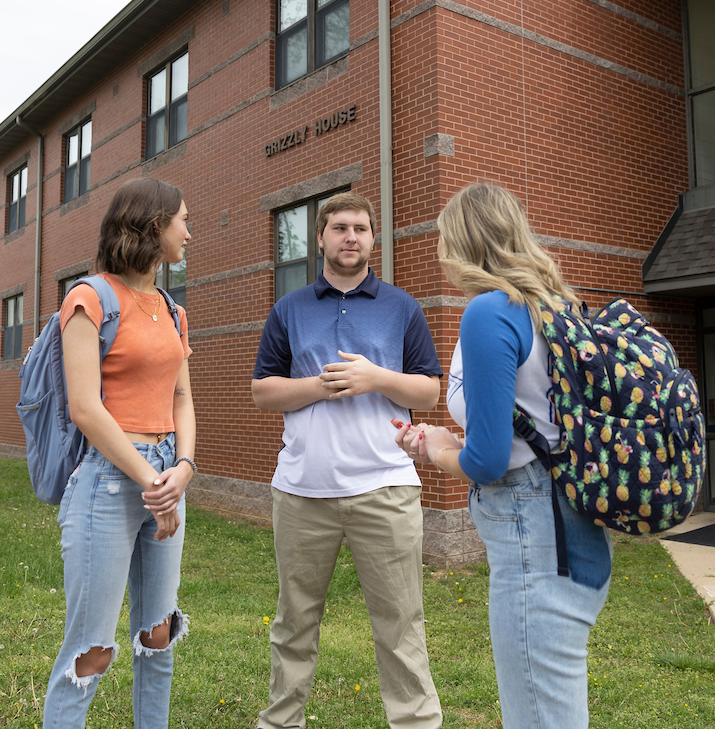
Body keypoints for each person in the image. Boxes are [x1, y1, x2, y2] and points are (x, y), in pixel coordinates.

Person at [394, 182, 613, 729]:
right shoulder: (558, 306)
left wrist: (438, 449)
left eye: (445, 240)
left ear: (463, 244)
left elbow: (490, 462)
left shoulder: (490, 311)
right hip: (575, 526)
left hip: (531, 533)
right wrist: (454, 442)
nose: (441, 254)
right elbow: (535, 423)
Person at [251, 192, 444, 729]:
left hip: (386, 488)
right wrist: (317, 386)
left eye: (361, 228)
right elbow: (263, 392)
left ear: (373, 238)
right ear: (320, 238)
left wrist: (374, 379)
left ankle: (417, 724)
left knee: (401, 624)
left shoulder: (401, 307)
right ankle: (281, 723)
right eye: (339, 228)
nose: (351, 237)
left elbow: (429, 392)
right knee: (294, 623)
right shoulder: (289, 309)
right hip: (302, 492)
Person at [43, 177, 195, 729]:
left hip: (165, 473)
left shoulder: (173, 311)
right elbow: (85, 407)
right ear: (155, 225)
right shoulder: (89, 298)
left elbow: (181, 397)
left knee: (158, 635)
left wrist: (182, 468)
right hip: (108, 481)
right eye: (183, 219)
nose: (188, 230)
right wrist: (152, 483)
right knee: (92, 651)